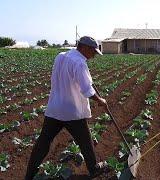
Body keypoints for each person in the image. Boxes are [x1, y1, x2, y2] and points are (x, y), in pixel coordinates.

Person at [25, 36, 109, 180]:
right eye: (93, 51)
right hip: (72, 111)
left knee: (43, 143)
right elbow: (87, 90)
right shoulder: (79, 63)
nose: (94, 55)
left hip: (55, 108)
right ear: (83, 48)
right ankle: (94, 169)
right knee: (85, 142)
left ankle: (29, 175)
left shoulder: (61, 56)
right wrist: (100, 100)